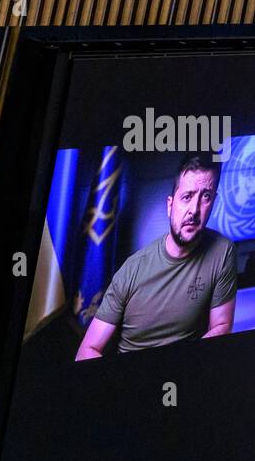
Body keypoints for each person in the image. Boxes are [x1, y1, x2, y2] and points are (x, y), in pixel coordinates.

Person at [76, 153, 237, 359]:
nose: (194, 210)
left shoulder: (222, 252)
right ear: (170, 205)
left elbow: (222, 325)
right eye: (187, 197)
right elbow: (87, 350)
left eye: (205, 196)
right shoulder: (132, 270)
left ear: (214, 202)